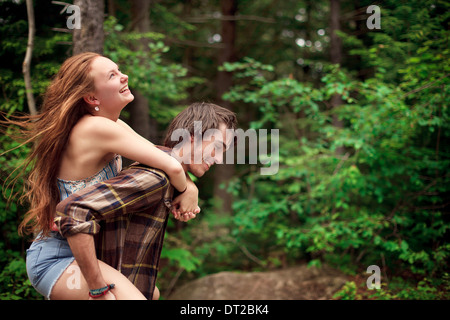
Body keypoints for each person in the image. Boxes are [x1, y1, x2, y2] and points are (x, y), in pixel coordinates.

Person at [6, 52, 199, 300]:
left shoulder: (112, 124)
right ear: (92, 97)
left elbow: (162, 157)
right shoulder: (97, 128)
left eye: (119, 70)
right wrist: (185, 190)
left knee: (151, 294)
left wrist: (190, 186)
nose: (124, 76)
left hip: (91, 253)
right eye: (112, 75)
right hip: (59, 259)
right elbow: (172, 167)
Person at [53, 102, 237, 300]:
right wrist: (98, 290)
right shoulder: (156, 179)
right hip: (67, 267)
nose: (219, 159)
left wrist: (188, 186)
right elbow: (73, 210)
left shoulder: (168, 178)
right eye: (217, 147)